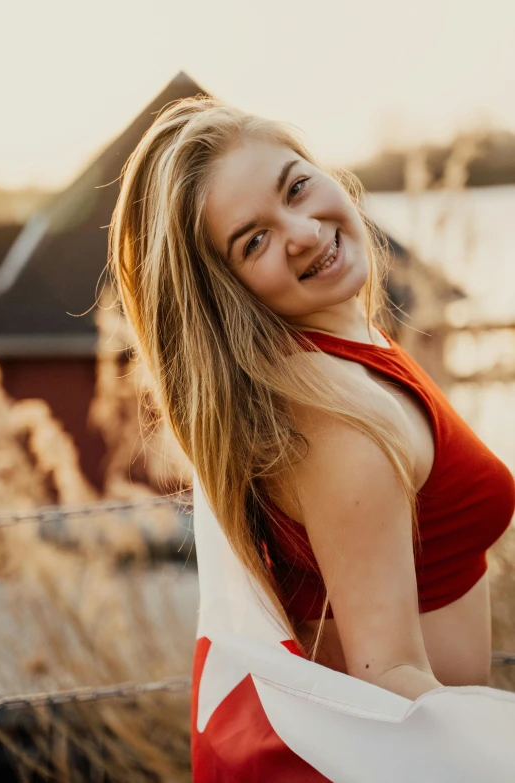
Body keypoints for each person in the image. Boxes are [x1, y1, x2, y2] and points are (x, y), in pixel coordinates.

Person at [109, 95, 515, 767]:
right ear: (228, 292)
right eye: (254, 240)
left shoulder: (342, 343)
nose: (300, 230)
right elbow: (389, 686)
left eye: (295, 186)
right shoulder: (332, 421)